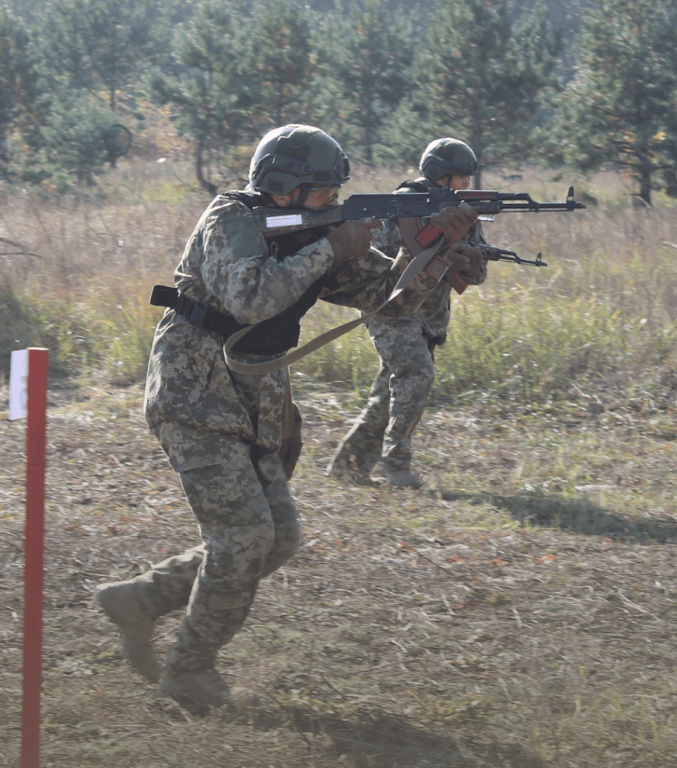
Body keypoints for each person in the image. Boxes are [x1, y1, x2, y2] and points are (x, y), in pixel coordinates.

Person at [95, 125, 477, 714]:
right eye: (324, 193)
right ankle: (188, 675)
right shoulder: (230, 220)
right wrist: (331, 246)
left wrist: (428, 250)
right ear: (286, 188)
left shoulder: (318, 231)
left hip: (255, 400)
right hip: (193, 396)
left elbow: (390, 303)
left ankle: (142, 601)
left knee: (277, 539)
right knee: (245, 537)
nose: (332, 204)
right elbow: (250, 296)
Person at [327, 138, 492, 489]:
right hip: (391, 310)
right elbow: (391, 265)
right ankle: (397, 465)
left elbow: (476, 275)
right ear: (440, 175)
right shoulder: (399, 206)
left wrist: (468, 260)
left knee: (389, 393)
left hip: (429, 316)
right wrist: (437, 238)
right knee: (417, 375)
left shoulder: (461, 212)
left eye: (467, 178)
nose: (465, 184)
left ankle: (347, 465)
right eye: (459, 177)